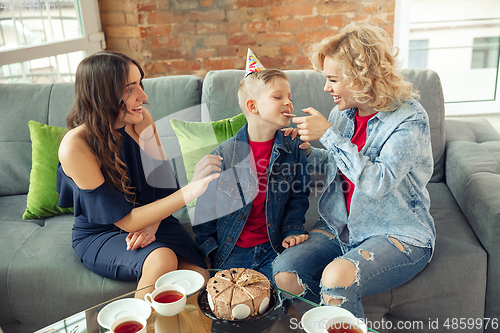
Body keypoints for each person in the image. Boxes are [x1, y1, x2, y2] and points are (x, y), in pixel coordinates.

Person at [273, 24, 436, 318]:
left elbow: (378, 182)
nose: (327, 88)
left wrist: (330, 136)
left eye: (333, 79)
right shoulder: (342, 113)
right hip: (344, 227)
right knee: (285, 274)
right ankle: (325, 322)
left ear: (361, 77)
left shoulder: (410, 118)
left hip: (398, 233)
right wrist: (309, 153)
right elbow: (340, 168)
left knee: (336, 277)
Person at [56, 51, 220, 299]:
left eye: (140, 84)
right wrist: (191, 190)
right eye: (129, 88)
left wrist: (152, 226)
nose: (143, 96)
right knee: (161, 258)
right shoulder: (75, 146)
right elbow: (126, 221)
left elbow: (163, 187)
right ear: (103, 95)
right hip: (103, 232)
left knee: (199, 277)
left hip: (152, 219)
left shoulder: (141, 121)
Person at [192, 50, 310, 283]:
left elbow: (299, 196)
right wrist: (208, 253)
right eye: (278, 97)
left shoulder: (293, 146)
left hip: (274, 247)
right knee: (235, 309)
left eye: (290, 96)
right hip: (231, 251)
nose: (288, 102)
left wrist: (292, 230)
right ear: (253, 106)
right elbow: (205, 212)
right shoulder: (224, 155)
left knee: (280, 301)